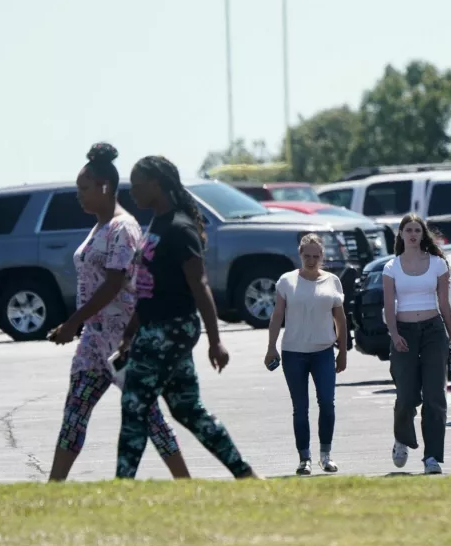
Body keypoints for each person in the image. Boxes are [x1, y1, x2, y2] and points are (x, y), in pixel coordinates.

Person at [46, 143, 189, 481]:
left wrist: (71, 323)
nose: (78, 196)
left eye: (84, 189)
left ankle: (186, 484)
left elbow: (114, 283)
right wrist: (81, 328)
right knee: (74, 414)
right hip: (93, 344)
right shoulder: (99, 227)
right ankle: (51, 488)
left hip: (124, 342)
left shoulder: (122, 229)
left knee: (149, 416)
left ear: (104, 187)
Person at [116, 155, 257, 480]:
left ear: (157, 184)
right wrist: (130, 332)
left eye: (137, 185)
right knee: (186, 408)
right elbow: (151, 287)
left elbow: (200, 284)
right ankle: (244, 473)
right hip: (153, 327)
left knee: (134, 403)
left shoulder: (179, 229)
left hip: (173, 328)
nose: (132, 192)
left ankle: (121, 484)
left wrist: (215, 341)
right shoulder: (158, 223)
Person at [382, 213, 451, 474]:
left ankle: (432, 458)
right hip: (404, 332)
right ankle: (402, 438)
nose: (413, 234)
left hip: (433, 331)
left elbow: (445, 304)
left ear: (422, 234)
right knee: (406, 395)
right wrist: (394, 334)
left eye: (417, 230)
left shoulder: (437, 263)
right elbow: (389, 305)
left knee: (435, 396)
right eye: (408, 230)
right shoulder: (391, 267)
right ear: (401, 235)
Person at [265, 234, 347, 476]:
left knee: (327, 404)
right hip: (293, 353)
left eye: (316, 256)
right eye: (307, 256)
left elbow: (340, 319)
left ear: (323, 257)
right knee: (300, 407)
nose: (311, 260)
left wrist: (342, 351)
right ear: (300, 255)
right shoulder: (287, 281)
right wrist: (271, 346)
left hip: (323, 352)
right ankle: (304, 458)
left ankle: (325, 455)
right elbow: (277, 316)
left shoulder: (332, 281)